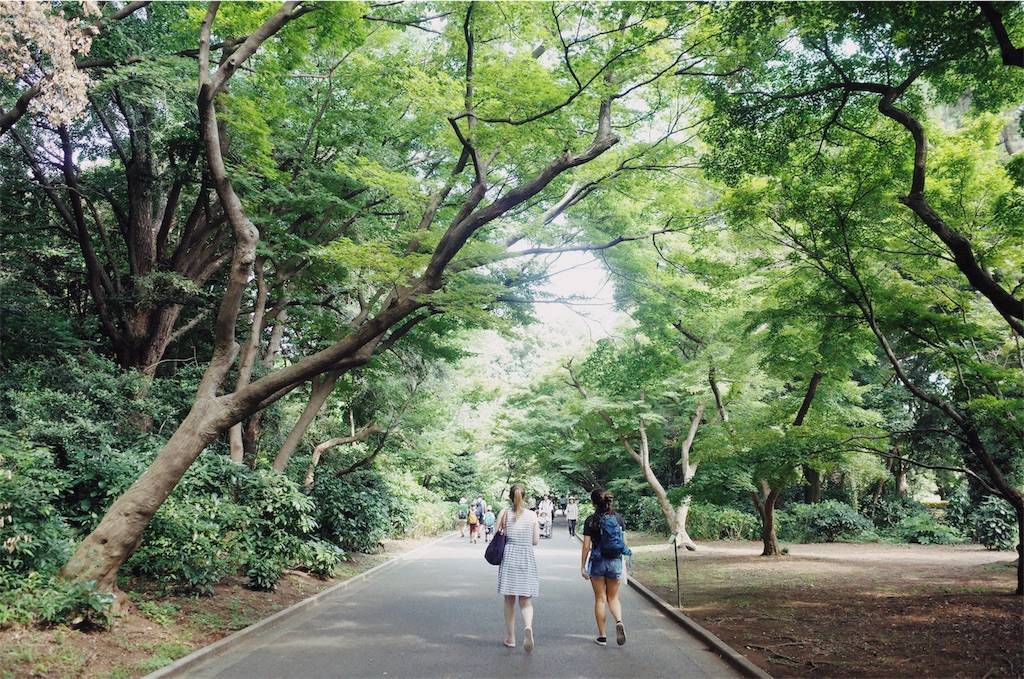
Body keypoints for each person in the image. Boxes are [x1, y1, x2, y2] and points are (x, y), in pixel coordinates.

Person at [581, 488, 627, 647]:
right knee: (613, 598)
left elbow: (586, 546)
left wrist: (582, 566)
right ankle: (619, 621)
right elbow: (623, 543)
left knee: (600, 599)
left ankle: (602, 636)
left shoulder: (590, 520)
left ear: (593, 503)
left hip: (598, 562)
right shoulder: (618, 518)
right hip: (615, 561)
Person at [497, 483, 539, 652]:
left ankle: (511, 638)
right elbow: (535, 541)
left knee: (509, 600)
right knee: (526, 600)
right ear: (525, 496)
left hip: (509, 556)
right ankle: (527, 626)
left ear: (510, 497)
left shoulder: (504, 513)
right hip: (526, 556)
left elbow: (496, 535)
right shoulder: (532, 515)